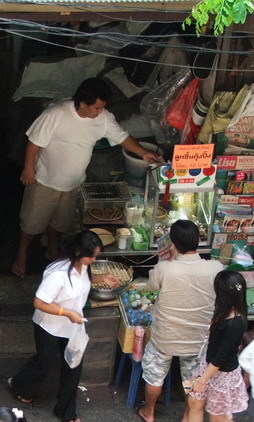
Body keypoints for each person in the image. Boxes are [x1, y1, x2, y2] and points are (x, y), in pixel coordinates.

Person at [11, 77, 162, 277]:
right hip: (45, 181)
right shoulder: (56, 114)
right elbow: (34, 142)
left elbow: (122, 137)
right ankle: (21, 256)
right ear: (82, 103)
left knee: (60, 223)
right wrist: (28, 169)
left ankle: (52, 250)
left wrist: (143, 153)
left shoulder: (103, 118)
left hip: (73, 184)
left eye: (102, 108)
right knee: (32, 224)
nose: (100, 112)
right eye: (97, 108)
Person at [7, 230, 117, 422]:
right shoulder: (57, 274)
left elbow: (83, 282)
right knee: (44, 362)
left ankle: (66, 411)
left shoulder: (83, 267)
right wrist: (66, 313)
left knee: (73, 367)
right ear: (78, 253)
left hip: (73, 328)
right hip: (48, 326)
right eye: (91, 256)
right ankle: (19, 385)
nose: (94, 259)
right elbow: (39, 302)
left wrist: (102, 279)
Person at [138, 220, 223, 422]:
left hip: (165, 337)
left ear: (173, 243)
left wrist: (169, 259)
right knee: (191, 379)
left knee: (155, 375)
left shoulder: (164, 269)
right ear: (199, 241)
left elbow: (149, 288)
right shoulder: (215, 267)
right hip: (197, 338)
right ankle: (187, 415)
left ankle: (149, 411)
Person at [167, 271, 254, 422]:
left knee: (218, 418)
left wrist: (202, 380)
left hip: (221, 374)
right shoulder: (228, 312)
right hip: (210, 367)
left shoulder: (235, 322)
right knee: (195, 402)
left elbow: (221, 357)